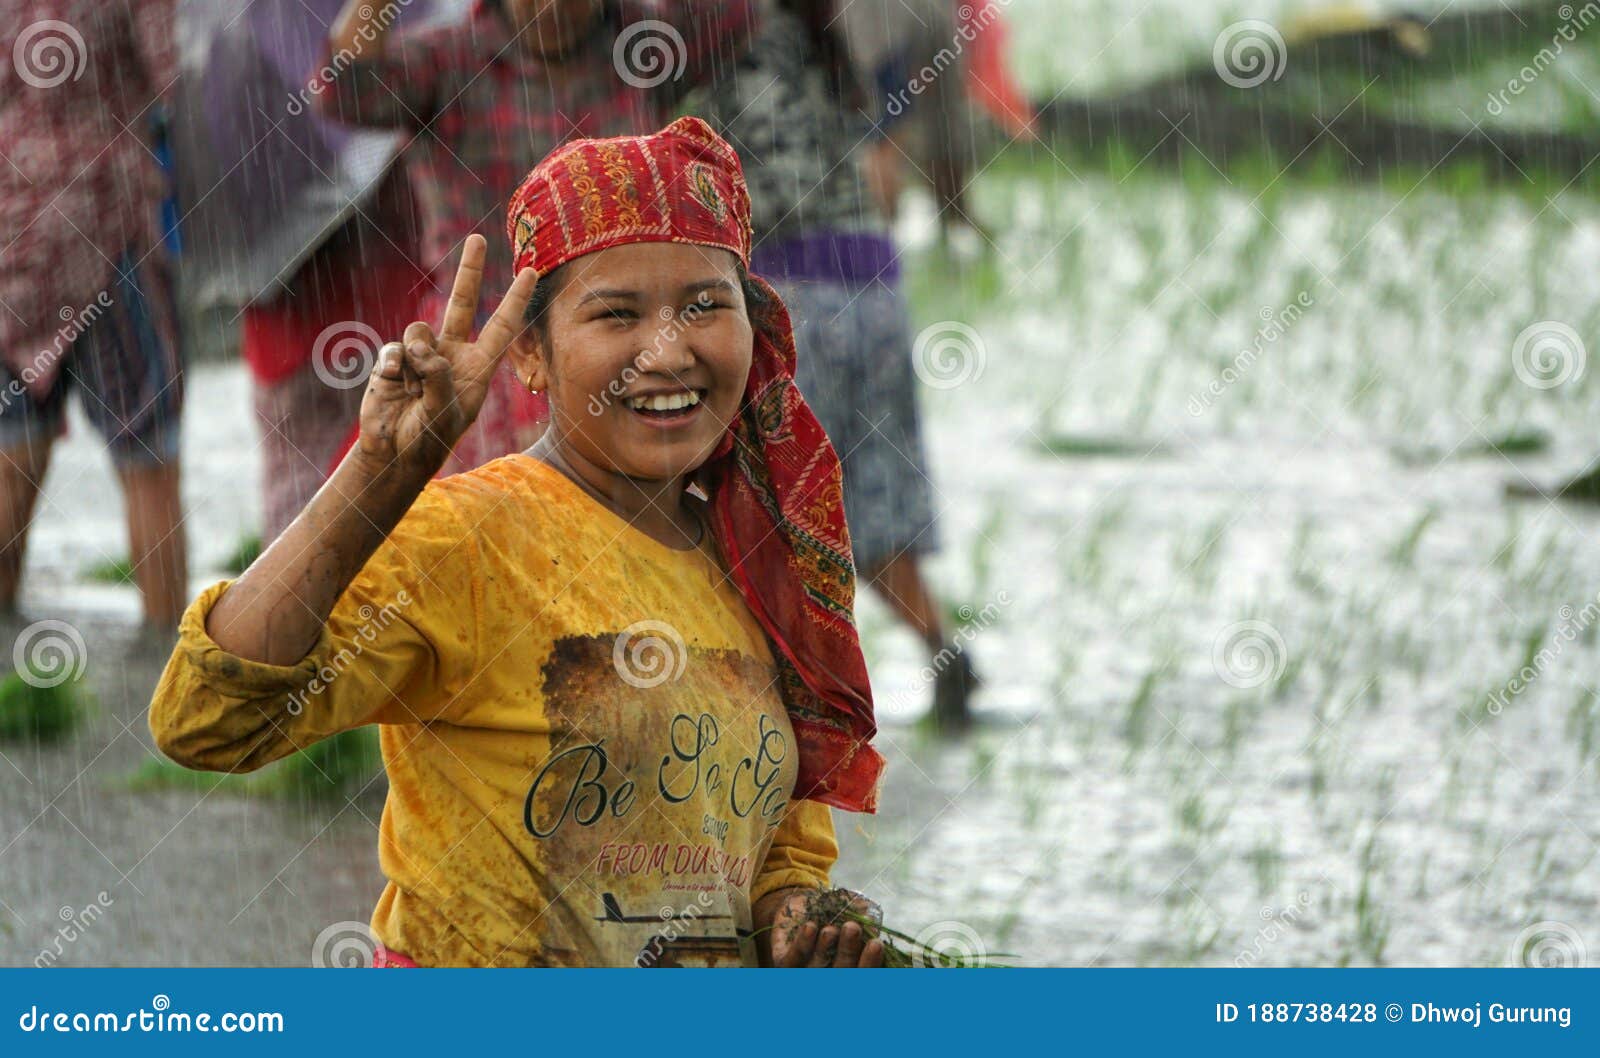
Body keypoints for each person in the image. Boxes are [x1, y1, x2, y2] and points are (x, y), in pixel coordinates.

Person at [148, 117, 886, 968]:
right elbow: (205, 722)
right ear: (530, 354)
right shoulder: (469, 535)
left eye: (704, 306)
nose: (668, 350)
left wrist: (798, 914)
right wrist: (380, 477)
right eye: (616, 314)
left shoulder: (760, 563)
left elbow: (780, 845)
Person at [313, 0, 756, 474]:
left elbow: (734, 18)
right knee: (501, 516)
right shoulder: (450, 59)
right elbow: (343, 89)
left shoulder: (642, 40)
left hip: (623, 329)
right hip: (488, 339)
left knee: (631, 510)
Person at [698, 0, 978, 729]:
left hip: (791, 293)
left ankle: (786, 701)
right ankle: (943, 653)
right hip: (874, 283)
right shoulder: (823, 31)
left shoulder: (707, 33)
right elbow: (904, 149)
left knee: (769, 511)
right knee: (870, 504)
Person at [0, 1, 187, 631]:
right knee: (148, 458)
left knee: (11, 448)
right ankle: (171, 663)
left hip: (12, 242)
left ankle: (12, 690)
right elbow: (179, 76)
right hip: (110, 234)